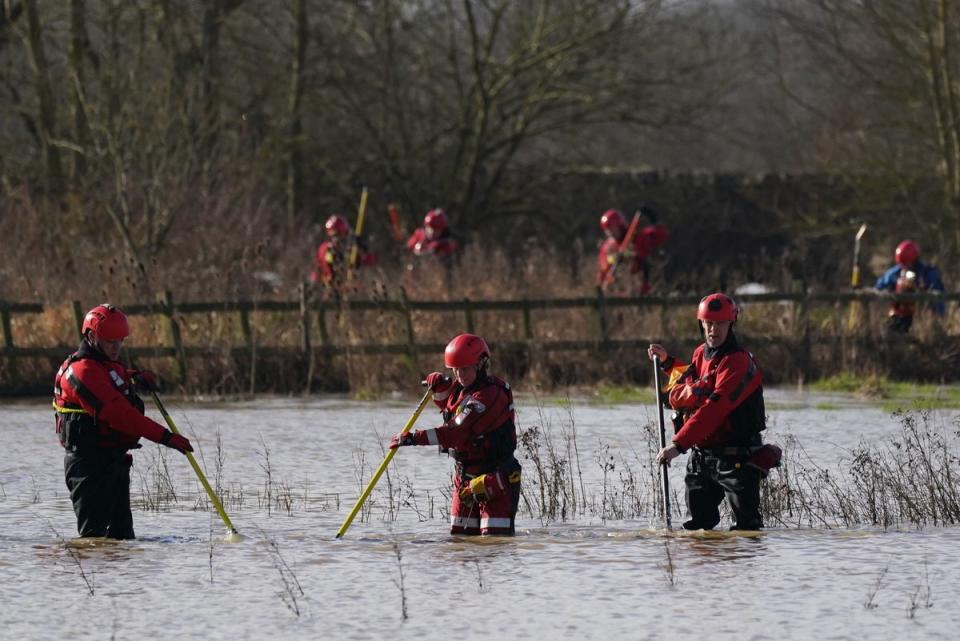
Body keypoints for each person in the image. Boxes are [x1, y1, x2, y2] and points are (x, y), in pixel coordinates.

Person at [53, 304, 193, 539]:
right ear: (91, 336)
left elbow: (112, 377)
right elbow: (122, 417)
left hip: (114, 461)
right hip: (89, 468)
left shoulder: (103, 363)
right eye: (110, 341)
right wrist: (166, 438)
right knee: (93, 542)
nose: (117, 347)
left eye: (120, 341)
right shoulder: (83, 372)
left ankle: (123, 577)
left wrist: (134, 377)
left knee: (122, 540)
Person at [647, 293, 780, 531]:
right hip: (703, 457)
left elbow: (714, 409)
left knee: (747, 530)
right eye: (708, 323)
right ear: (701, 324)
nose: (713, 329)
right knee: (697, 530)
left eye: (720, 323)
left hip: (737, 459)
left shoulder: (737, 362)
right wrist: (667, 362)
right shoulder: (700, 353)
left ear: (731, 323)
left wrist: (677, 445)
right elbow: (690, 379)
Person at [389, 333, 521, 535]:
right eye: (455, 369)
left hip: (495, 478)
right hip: (464, 477)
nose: (460, 375)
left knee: (495, 541)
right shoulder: (460, 389)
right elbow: (449, 408)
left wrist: (413, 438)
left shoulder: (490, 395)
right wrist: (439, 389)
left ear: (481, 363)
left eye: (465, 369)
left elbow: (456, 432)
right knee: (460, 541)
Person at [874, 239, 945, 333]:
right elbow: (879, 287)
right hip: (897, 316)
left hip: (922, 318)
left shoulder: (928, 273)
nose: (905, 267)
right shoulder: (895, 272)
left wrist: (937, 317)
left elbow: (939, 297)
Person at [597, 206, 669, 292]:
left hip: (640, 283)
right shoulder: (607, 247)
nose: (610, 232)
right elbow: (603, 269)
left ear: (620, 225)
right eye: (607, 230)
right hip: (616, 287)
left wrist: (653, 219)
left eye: (612, 228)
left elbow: (661, 235)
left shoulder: (638, 238)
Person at [310, 214, 378, 291]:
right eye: (333, 236)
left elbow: (370, 261)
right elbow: (322, 268)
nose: (337, 240)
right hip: (326, 290)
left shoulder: (353, 250)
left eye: (339, 235)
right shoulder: (324, 249)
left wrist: (364, 249)